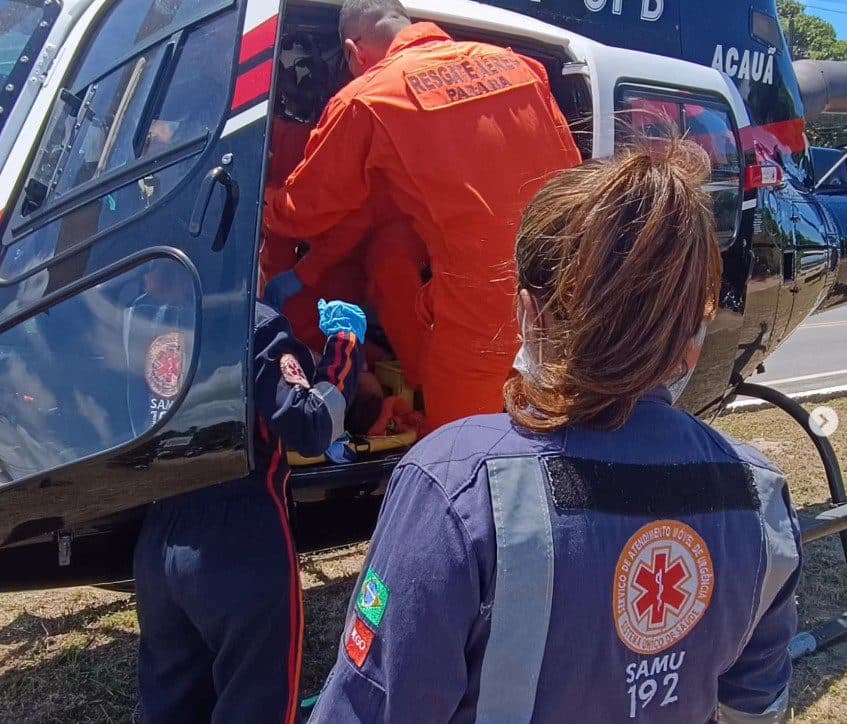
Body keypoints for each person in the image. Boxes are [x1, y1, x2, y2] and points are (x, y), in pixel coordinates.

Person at [309, 141, 802, 723]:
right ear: (693, 330)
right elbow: (756, 709)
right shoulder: (759, 497)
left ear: (529, 313)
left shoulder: (456, 486)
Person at [266, 0, 582, 430]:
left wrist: (256, 203)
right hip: (567, 297)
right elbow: (573, 175)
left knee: (463, 455)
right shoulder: (519, 67)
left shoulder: (368, 99)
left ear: (354, 53)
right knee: (555, 441)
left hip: (480, 313)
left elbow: (305, 211)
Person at [133, 298, 366, 723]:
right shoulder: (252, 319)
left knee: (172, 705)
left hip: (158, 540)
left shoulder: (144, 317)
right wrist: (344, 349)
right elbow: (310, 426)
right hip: (239, 538)